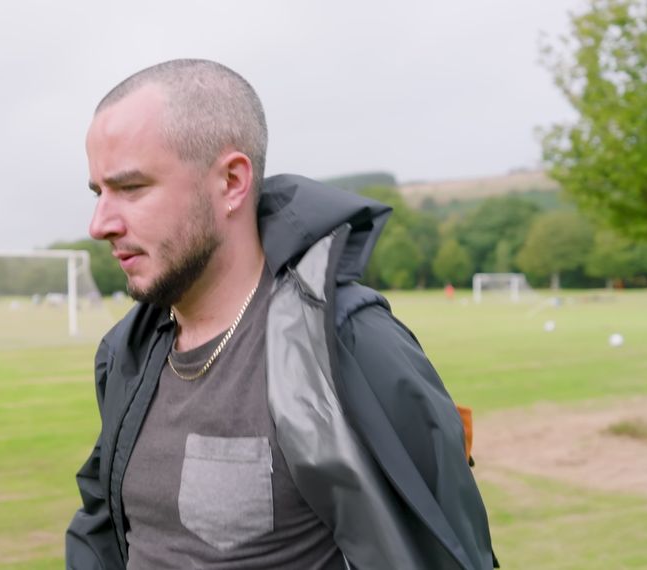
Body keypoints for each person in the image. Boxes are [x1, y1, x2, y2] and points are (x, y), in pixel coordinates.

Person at [66, 59, 496, 569]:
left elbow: (444, 549)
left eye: (131, 188)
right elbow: (101, 527)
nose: (100, 224)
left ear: (231, 182)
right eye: (98, 193)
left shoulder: (346, 343)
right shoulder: (126, 353)